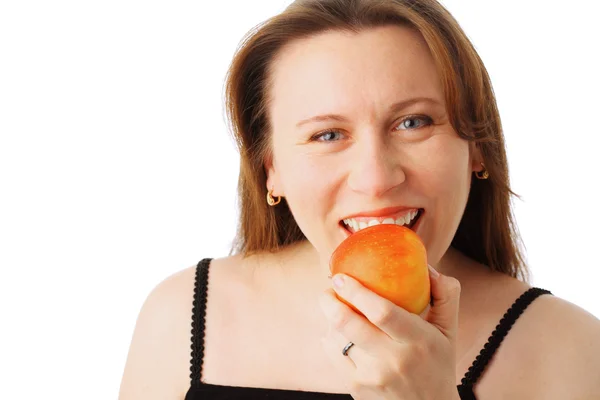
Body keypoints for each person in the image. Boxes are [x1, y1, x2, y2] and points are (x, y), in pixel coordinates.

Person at [119, 0, 600, 399]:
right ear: (272, 171)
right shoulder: (181, 315)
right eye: (328, 134)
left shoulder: (569, 349)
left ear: (476, 147)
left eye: (414, 122)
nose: (376, 179)